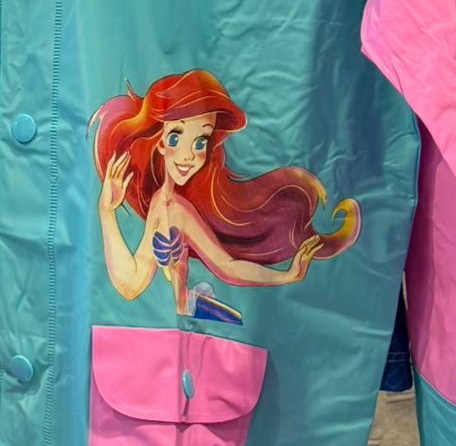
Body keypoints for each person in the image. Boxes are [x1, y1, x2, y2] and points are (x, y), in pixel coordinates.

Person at [91, 69, 360, 322]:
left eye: (201, 141)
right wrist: (106, 212)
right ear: (160, 142)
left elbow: (226, 266)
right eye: (175, 137)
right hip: (187, 323)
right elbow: (131, 285)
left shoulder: (174, 207)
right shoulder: (165, 205)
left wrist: (287, 276)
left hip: (193, 320)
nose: (188, 155)